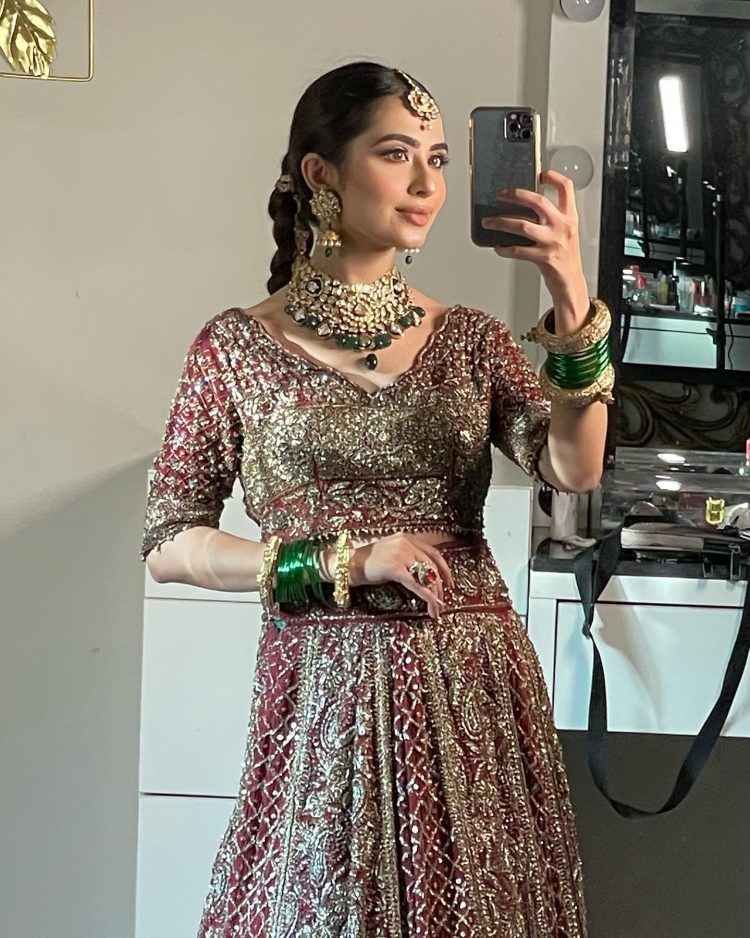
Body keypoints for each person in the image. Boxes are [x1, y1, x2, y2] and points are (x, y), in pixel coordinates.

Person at [141, 61, 612, 938]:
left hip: (470, 687)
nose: (428, 184)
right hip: (320, 691)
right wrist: (346, 560)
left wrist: (569, 292)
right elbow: (171, 542)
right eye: (397, 155)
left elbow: (572, 468)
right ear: (322, 173)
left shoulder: (469, 341)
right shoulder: (235, 348)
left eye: (438, 159)